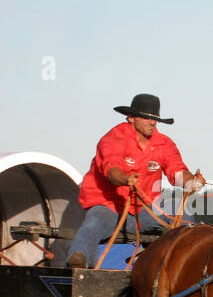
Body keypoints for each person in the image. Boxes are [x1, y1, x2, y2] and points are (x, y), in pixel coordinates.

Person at [63, 93, 203, 267]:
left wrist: (191, 182)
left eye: (154, 119)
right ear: (131, 118)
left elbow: (177, 170)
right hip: (110, 207)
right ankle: (77, 262)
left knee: (180, 208)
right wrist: (125, 179)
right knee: (93, 224)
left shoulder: (164, 144)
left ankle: (188, 262)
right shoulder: (114, 138)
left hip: (144, 211)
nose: (151, 122)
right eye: (146, 118)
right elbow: (111, 169)